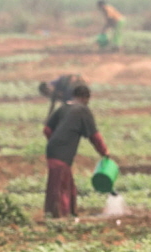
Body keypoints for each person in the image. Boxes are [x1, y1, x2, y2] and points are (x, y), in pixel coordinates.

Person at [43, 81, 109, 219]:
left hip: (54, 150)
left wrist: (56, 141)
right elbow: (94, 136)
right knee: (60, 187)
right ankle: (60, 216)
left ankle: (68, 213)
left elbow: (47, 130)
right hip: (61, 154)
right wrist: (105, 153)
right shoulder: (83, 110)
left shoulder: (63, 108)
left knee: (66, 184)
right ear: (86, 98)